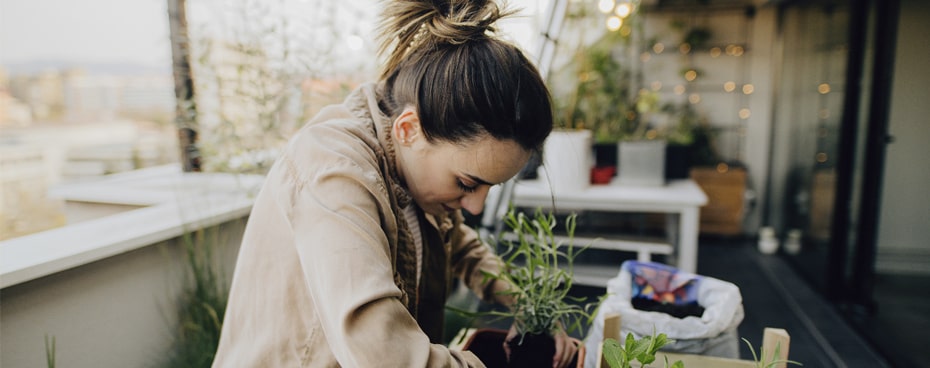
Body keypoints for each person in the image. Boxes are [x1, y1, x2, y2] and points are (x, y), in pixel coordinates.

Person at [212, 0, 574, 366]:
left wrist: (527, 303)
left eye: (488, 188)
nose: (476, 205)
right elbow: (382, 348)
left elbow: (459, 243)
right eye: (467, 183)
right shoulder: (333, 169)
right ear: (408, 129)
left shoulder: (415, 171)